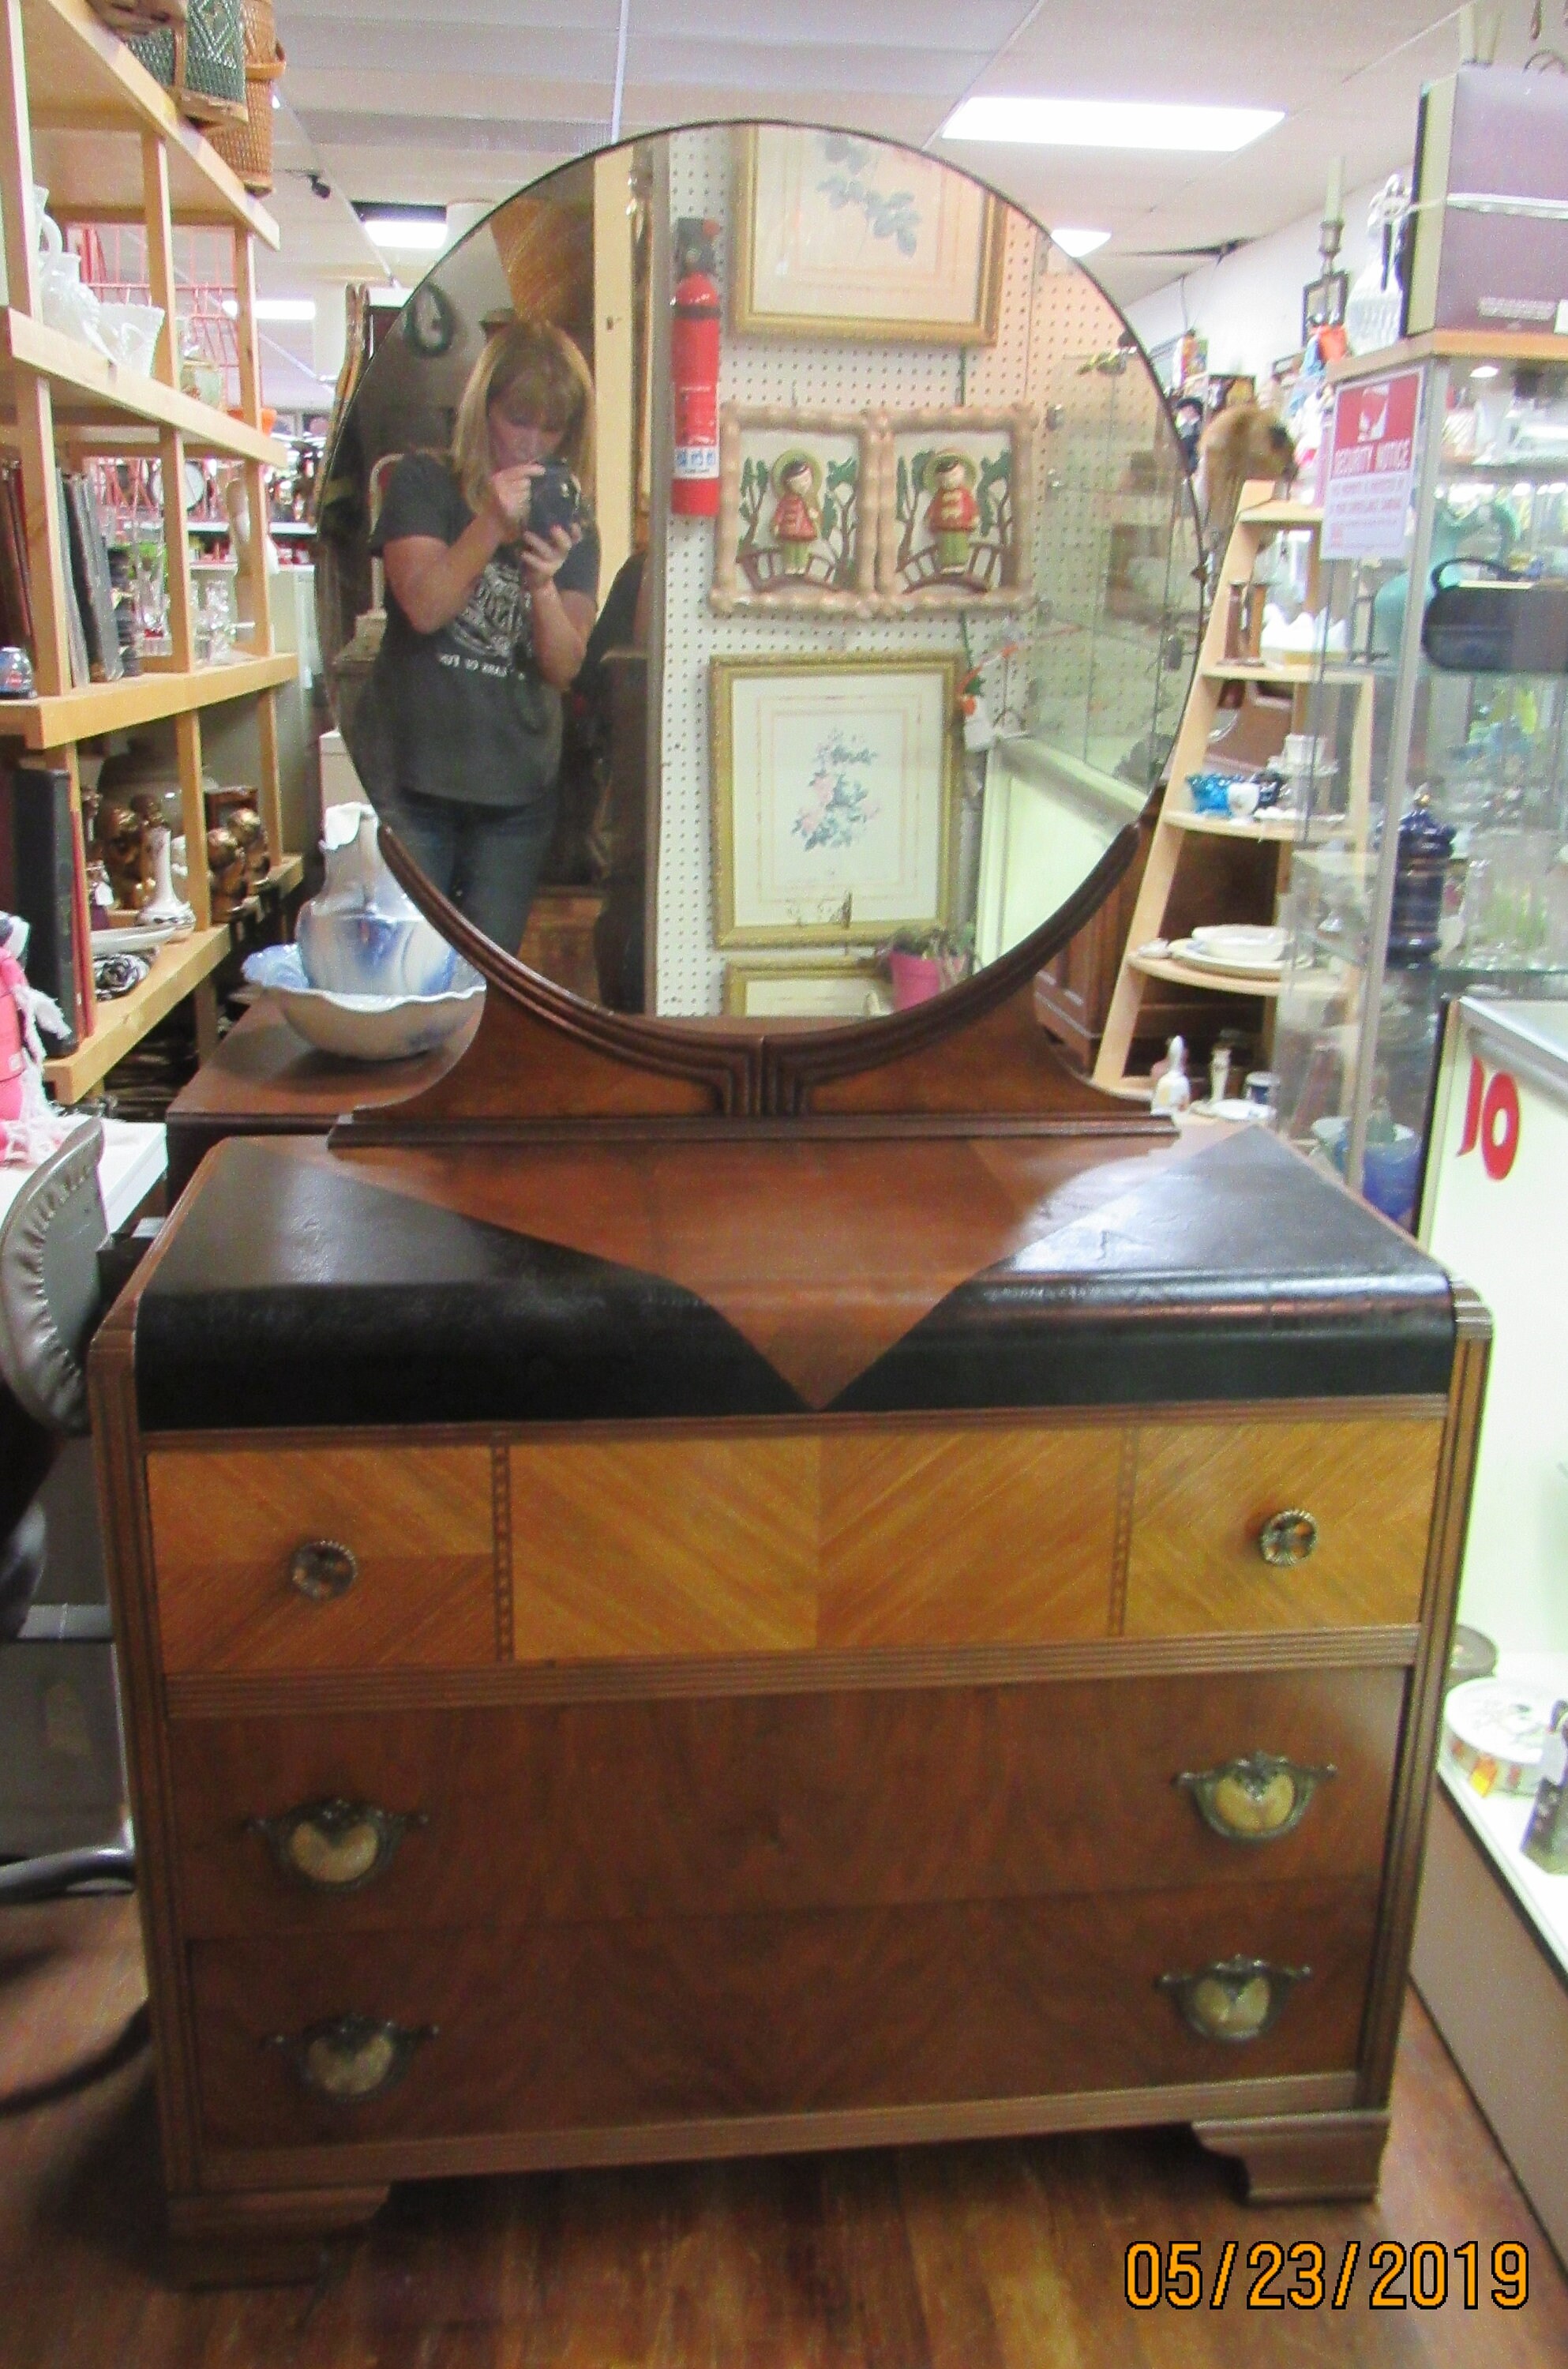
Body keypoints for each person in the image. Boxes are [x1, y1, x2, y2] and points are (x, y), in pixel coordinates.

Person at [358, 318, 601, 954]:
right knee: (404, 969)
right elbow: (425, 607)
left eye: (552, 427)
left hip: (516, 797)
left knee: (488, 985)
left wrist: (543, 584)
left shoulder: (571, 523)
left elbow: (565, 668)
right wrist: (491, 523)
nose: (533, 444)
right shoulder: (423, 483)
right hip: (415, 783)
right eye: (519, 419)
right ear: (484, 407)